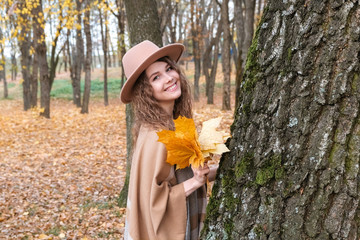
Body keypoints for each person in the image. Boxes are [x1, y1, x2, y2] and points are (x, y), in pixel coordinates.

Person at [120, 40, 218, 240]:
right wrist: (197, 181)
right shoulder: (156, 136)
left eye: (168, 69)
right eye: (156, 77)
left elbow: (185, 176)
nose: (169, 78)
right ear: (145, 91)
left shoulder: (172, 124)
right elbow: (154, 202)